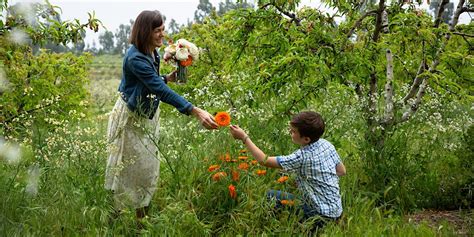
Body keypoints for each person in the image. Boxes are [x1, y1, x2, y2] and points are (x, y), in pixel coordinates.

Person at [105, 10, 218, 223]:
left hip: (145, 114)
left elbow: (152, 81)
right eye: (157, 31)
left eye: (162, 30)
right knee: (126, 168)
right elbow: (157, 89)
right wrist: (195, 110)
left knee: (146, 168)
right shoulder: (135, 57)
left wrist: (167, 77)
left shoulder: (151, 52)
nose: (161, 35)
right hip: (131, 117)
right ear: (145, 31)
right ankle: (115, 219)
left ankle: (142, 221)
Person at [229, 111, 346, 230]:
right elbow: (342, 171)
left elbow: (264, 160)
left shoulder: (302, 157)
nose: (290, 132)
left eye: (294, 131)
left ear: (306, 139)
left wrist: (244, 137)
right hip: (336, 212)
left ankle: (288, 227)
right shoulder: (327, 144)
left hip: (319, 216)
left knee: (269, 196)